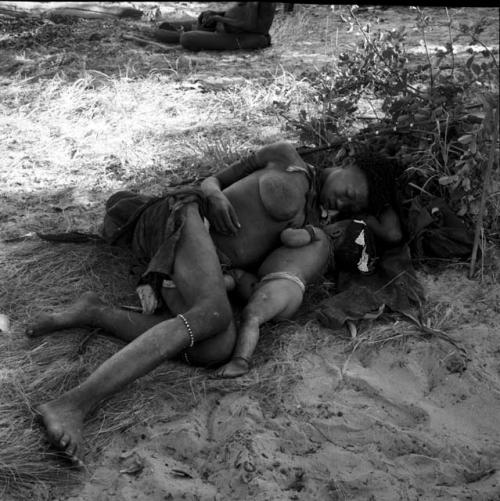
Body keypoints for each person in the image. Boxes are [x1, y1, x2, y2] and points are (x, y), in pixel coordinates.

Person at [26, 141, 326, 466]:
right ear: (346, 157)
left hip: (206, 258)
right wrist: (214, 195)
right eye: (357, 189)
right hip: (185, 213)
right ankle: (73, 403)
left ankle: (96, 311)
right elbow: (212, 180)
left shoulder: (314, 223)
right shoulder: (285, 157)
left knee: (218, 347)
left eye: (361, 202)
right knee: (214, 313)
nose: (352, 200)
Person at [216, 219, 378, 377]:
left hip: (283, 283)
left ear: (336, 231)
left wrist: (292, 229)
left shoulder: (319, 235)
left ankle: (240, 361)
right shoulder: (326, 263)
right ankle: (213, 289)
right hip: (276, 287)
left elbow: (289, 238)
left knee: (252, 315)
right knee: (238, 277)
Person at [150, 2, 276, 51]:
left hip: (247, 37)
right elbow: (236, 12)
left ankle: (179, 35)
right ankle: (179, 32)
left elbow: (249, 24)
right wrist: (214, 14)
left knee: (187, 38)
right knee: (164, 27)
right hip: (224, 29)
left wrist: (219, 18)